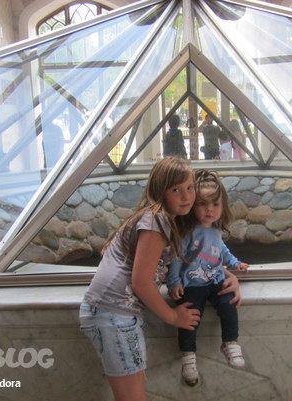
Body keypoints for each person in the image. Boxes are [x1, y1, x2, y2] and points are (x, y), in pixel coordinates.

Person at [79, 157, 241, 401]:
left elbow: (198, 260)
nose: (186, 196)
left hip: (111, 312)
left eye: (189, 188)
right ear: (159, 191)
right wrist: (173, 316)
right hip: (112, 313)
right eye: (176, 190)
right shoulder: (156, 221)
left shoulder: (158, 219)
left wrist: (230, 276)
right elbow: (141, 282)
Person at [167, 169, 249, 386]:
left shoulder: (215, 232)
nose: (209, 210)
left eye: (215, 204)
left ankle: (230, 342)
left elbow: (223, 252)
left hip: (215, 281)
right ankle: (188, 357)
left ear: (223, 207)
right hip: (192, 284)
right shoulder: (187, 232)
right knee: (189, 319)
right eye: (202, 204)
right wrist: (174, 282)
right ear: (193, 206)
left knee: (229, 305)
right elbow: (177, 257)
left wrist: (236, 264)